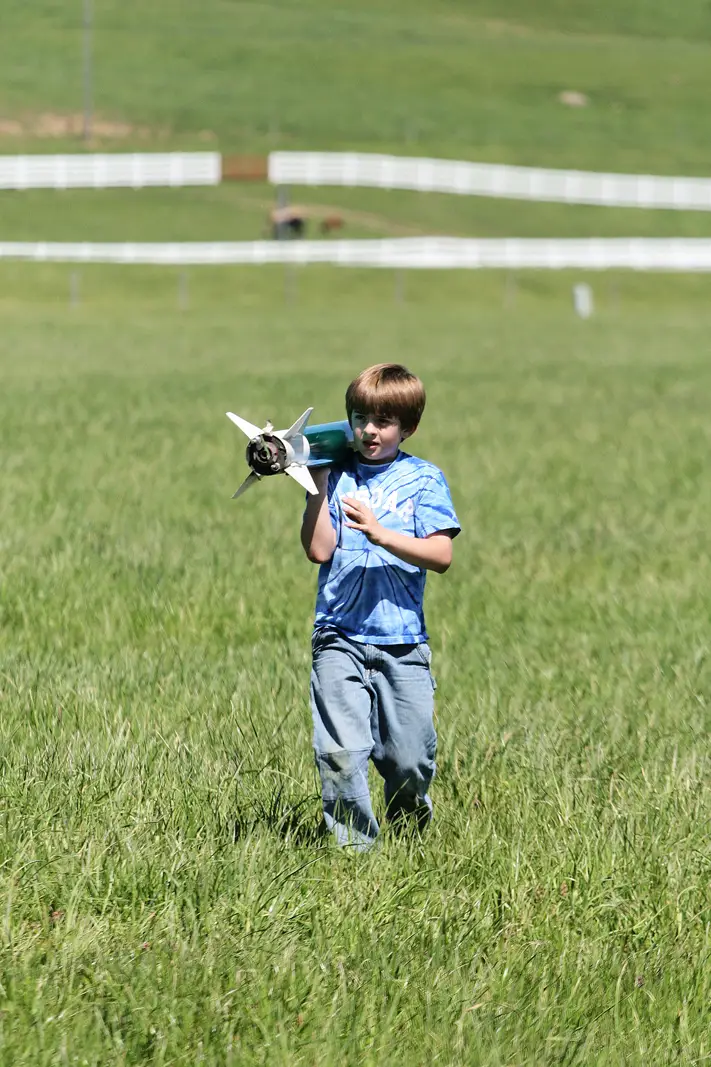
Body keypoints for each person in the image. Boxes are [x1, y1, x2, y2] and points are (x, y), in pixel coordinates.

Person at [300, 363, 460, 849]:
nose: (369, 430)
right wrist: (316, 486)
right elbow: (319, 550)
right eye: (360, 417)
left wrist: (380, 534)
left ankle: (410, 835)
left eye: (384, 422)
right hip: (339, 634)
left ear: (407, 427)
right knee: (341, 752)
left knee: (409, 759)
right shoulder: (337, 474)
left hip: (402, 640)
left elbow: (441, 555)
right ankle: (355, 855)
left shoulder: (423, 479)